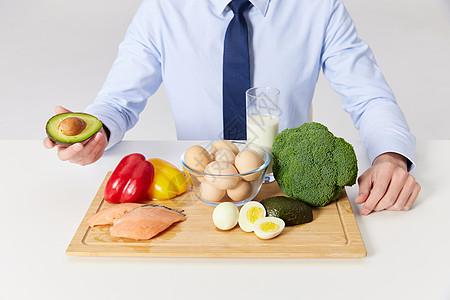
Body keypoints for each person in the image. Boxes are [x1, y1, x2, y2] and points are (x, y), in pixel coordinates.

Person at [43, 0, 421, 215]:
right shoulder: (162, 9)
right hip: (196, 195)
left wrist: (391, 157)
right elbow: (117, 102)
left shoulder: (318, 7)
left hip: (283, 189)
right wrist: (97, 133)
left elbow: (369, 96)